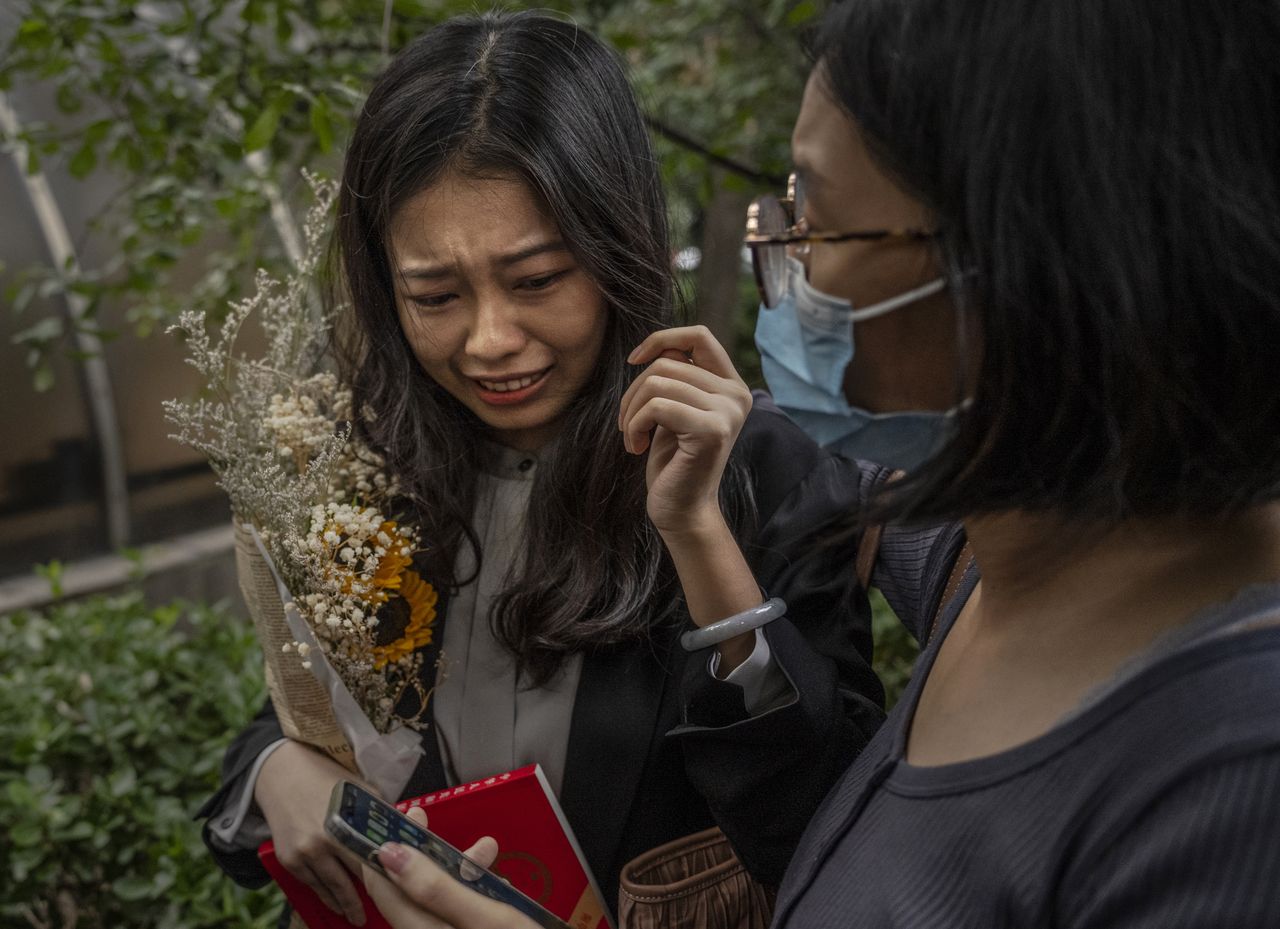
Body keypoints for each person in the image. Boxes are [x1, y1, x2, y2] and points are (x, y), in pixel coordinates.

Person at [356, 0, 1280, 925]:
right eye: (433, 291)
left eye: (818, 218)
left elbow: (799, 805)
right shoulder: (986, 546)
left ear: (1027, 259)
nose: (779, 257)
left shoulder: (1227, 779)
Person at [197, 11, 905, 926]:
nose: (491, 341)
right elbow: (309, 709)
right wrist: (274, 770)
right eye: (436, 295)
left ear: (619, 249)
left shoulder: (760, 468)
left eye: (536, 280)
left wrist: (697, 536)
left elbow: (824, 826)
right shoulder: (352, 466)